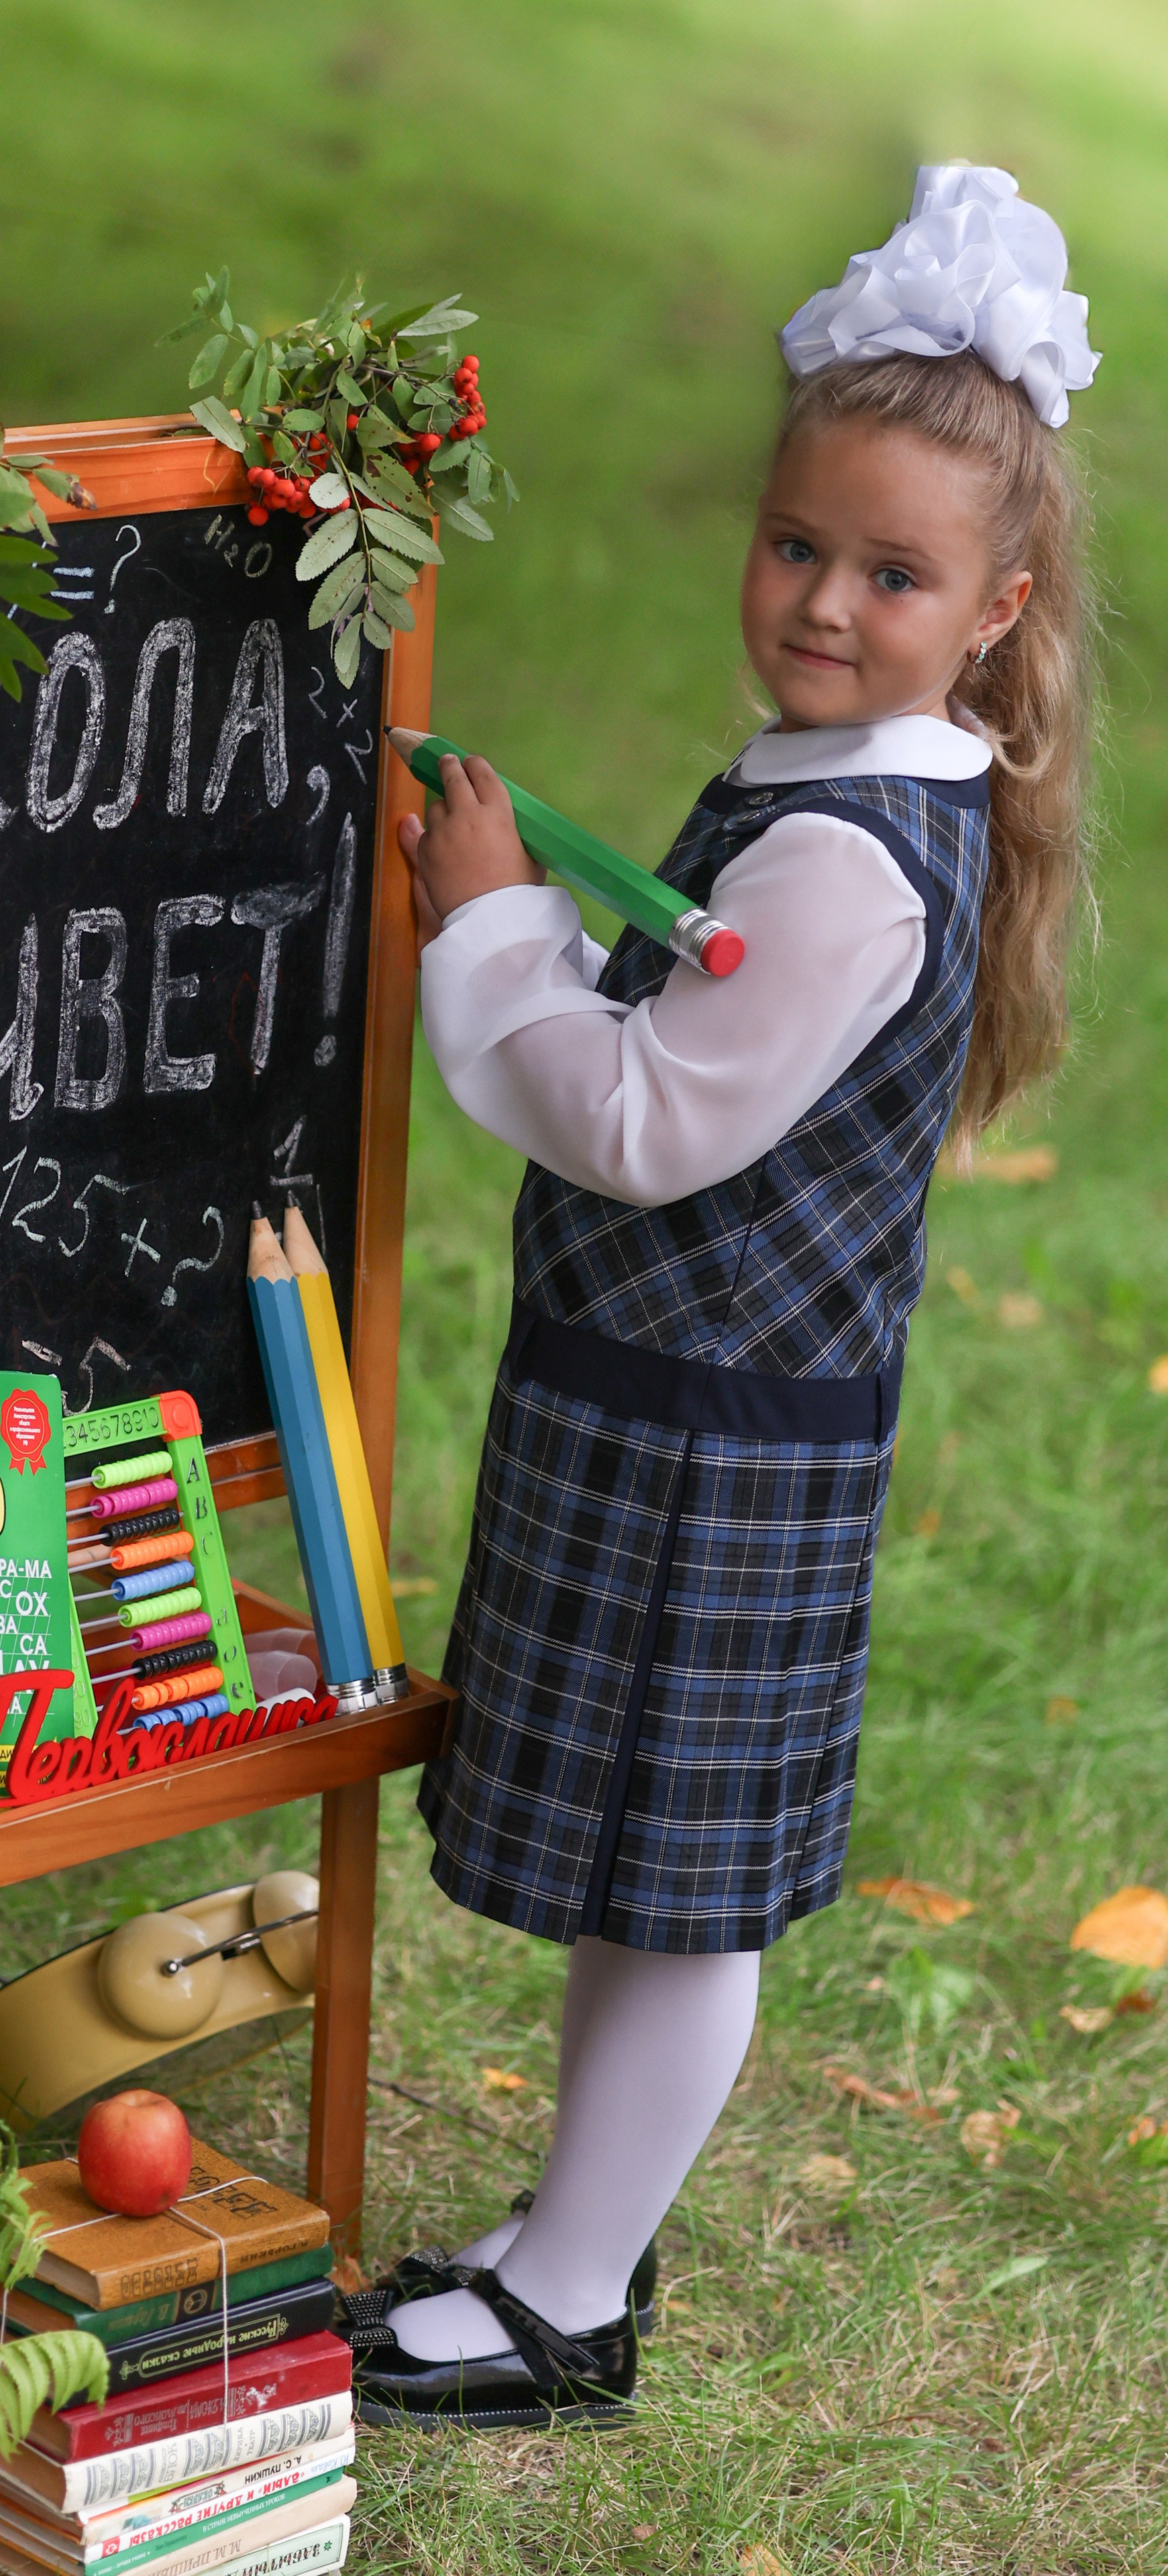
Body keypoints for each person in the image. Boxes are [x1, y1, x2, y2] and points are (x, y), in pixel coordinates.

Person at [352, 165, 1100, 2430]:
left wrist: (494, 928)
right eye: (798, 547)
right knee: (640, 1875)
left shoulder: (856, 857)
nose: (826, 603)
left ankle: (573, 2305)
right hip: (671, 1407)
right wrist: (552, 922)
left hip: (714, 1440)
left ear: (997, 608)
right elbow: (694, 1023)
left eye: (895, 574)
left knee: (682, 1894)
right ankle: (562, 2245)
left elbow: (647, 1116)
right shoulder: (837, 786)